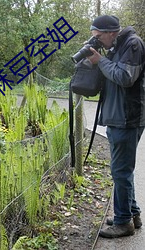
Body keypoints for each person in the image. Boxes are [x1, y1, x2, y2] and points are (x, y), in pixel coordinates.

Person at [87, 15, 145, 238]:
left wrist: (100, 61)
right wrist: (96, 60)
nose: (98, 41)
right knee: (122, 171)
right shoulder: (116, 46)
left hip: (127, 118)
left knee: (120, 171)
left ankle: (123, 223)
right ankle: (132, 214)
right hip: (117, 117)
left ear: (111, 32)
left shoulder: (133, 44)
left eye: (99, 37)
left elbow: (124, 77)